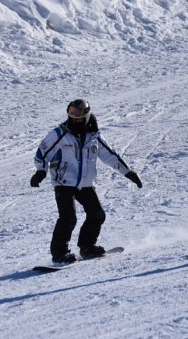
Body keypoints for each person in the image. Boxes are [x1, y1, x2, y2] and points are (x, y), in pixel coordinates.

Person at [31, 99, 143, 264]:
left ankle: (87, 247)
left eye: (77, 113)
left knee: (97, 214)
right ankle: (59, 254)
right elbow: (42, 152)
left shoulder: (94, 136)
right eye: (71, 112)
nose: (73, 116)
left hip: (85, 184)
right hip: (64, 182)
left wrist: (128, 172)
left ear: (86, 115)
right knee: (68, 217)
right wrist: (40, 171)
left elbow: (110, 156)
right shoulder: (60, 133)